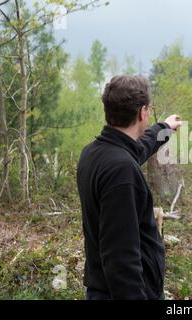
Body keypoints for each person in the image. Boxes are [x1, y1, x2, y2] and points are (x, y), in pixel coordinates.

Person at [76, 75, 182, 300]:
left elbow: (136, 149)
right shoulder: (121, 170)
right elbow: (121, 258)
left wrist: (164, 128)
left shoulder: (94, 153)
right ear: (143, 112)